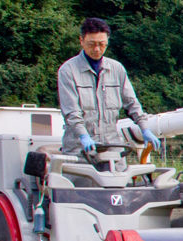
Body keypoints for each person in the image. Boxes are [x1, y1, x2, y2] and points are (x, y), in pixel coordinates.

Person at [57, 17, 159, 155]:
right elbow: (72, 112)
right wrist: (83, 136)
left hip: (112, 146)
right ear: (81, 41)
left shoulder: (117, 69)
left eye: (102, 44)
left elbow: (132, 103)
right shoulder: (68, 71)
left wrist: (145, 129)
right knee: (83, 176)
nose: (97, 49)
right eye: (91, 44)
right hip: (79, 149)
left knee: (121, 175)